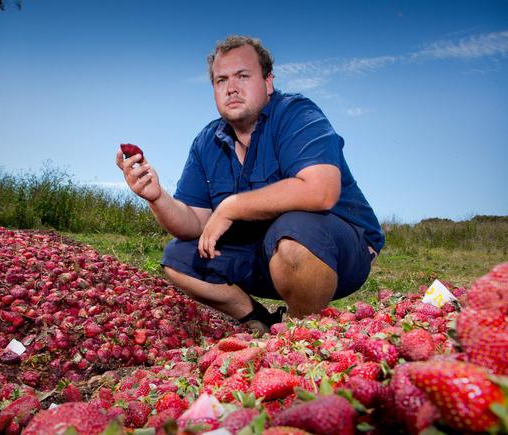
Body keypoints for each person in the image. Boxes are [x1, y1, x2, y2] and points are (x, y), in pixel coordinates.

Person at [116, 35, 384, 333]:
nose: (231, 87)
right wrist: (157, 197)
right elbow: (194, 223)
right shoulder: (207, 141)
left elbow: (321, 191)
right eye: (221, 80)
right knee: (178, 257)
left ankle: (303, 334)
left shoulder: (297, 114)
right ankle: (258, 319)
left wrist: (231, 207)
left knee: (295, 229)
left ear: (268, 82)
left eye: (243, 76)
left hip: (338, 253)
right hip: (265, 254)